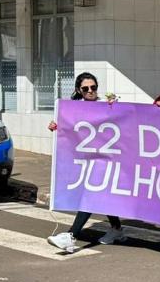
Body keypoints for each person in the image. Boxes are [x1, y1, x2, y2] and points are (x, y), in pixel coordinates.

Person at [46, 72, 126, 253]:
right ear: (78, 90)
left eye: (93, 87)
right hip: (85, 161)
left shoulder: (106, 105)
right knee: (101, 195)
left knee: (91, 195)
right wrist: (56, 127)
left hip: (106, 159)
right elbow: (68, 131)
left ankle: (71, 236)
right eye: (86, 88)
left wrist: (116, 106)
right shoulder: (73, 109)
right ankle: (116, 229)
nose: (90, 91)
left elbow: (125, 121)